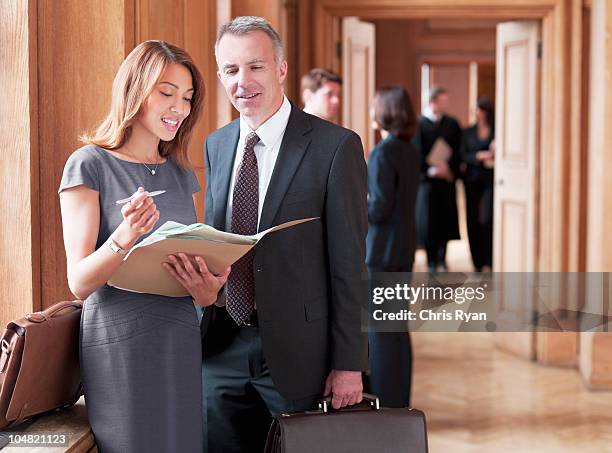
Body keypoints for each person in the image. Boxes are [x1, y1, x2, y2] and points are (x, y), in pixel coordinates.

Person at [202, 16, 368, 453]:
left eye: (255, 67)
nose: (243, 81)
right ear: (220, 76)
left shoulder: (335, 147)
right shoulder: (215, 146)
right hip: (221, 348)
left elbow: (349, 264)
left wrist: (349, 363)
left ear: (281, 69)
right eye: (231, 70)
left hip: (301, 356)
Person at [58, 40, 228, 452]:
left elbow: (192, 267)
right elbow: (78, 283)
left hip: (179, 337)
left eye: (187, 98)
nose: (179, 108)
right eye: (166, 93)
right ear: (135, 91)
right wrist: (125, 234)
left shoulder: (180, 174)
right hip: (119, 342)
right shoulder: (90, 164)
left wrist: (208, 292)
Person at [366, 86, 420, 408]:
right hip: (402, 249)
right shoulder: (409, 148)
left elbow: (379, 209)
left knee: (380, 333)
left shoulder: (384, 152)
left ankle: (385, 405)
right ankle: (400, 401)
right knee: (396, 328)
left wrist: (356, 202)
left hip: (381, 252)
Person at [413, 86, 462, 272]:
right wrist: (431, 170)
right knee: (429, 222)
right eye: (442, 101)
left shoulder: (452, 123)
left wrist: (448, 168)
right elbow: (415, 152)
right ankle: (431, 260)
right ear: (432, 102)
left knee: (446, 219)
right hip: (427, 182)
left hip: (446, 180)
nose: (446, 104)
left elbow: (458, 150)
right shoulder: (418, 124)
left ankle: (443, 257)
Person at [461, 96, 495, 272]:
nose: (475, 112)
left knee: (489, 219)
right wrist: (479, 156)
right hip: (472, 180)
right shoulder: (467, 132)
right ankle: (477, 262)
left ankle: (491, 259)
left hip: (491, 180)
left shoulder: (497, 131)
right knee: (472, 219)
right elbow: (462, 156)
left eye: (478, 109)